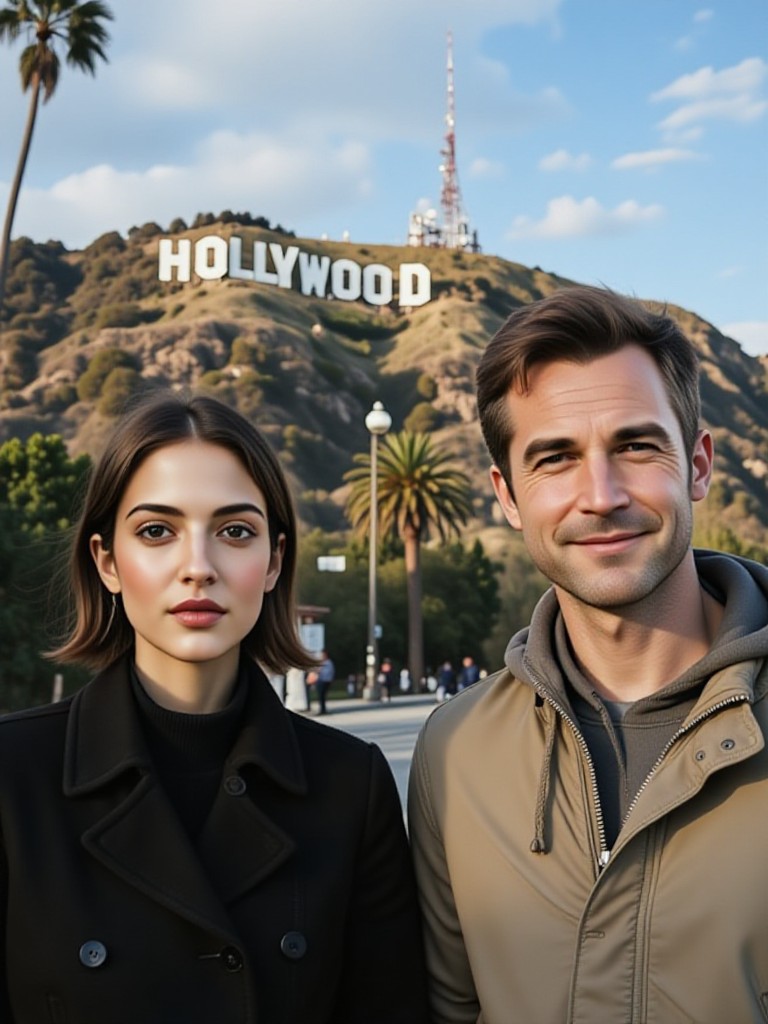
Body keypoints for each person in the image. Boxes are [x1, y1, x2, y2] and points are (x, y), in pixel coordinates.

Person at [0, 392, 428, 1023]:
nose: (198, 568)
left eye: (235, 532)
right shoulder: (13, 776)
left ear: (275, 561)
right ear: (107, 561)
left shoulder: (350, 788)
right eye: (156, 531)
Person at [408, 286, 768, 1023]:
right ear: (508, 497)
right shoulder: (454, 752)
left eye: (636, 446)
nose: (600, 496)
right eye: (555, 457)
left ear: (698, 465)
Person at [313, 648, 335, 715]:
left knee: (322, 696)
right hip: (321, 681)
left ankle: (323, 710)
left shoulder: (328, 663)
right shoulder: (323, 663)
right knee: (321, 696)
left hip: (324, 681)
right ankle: (322, 709)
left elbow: (327, 673)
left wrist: (319, 671)